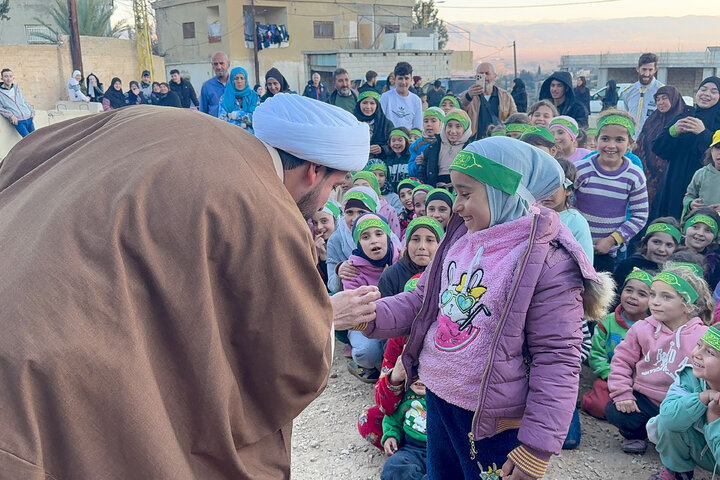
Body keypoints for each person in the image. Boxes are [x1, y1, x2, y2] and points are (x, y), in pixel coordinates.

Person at [0, 93, 373, 478]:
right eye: (335, 186)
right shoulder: (266, 203)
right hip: (40, 365)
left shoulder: (151, 119)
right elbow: (288, 353)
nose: (328, 201)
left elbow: (28, 153)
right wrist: (327, 319)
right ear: (313, 171)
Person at [336, 136, 611, 480]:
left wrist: (537, 447)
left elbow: (557, 356)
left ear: (504, 194)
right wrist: (369, 314)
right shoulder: (461, 240)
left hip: (494, 417)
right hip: (440, 397)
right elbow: (422, 300)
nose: (456, 205)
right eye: (455, 193)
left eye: (466, 194)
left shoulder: (547, 261)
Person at [606, 266, 712, 455]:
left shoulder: (703, 335)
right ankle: (636, 435)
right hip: (646, 400)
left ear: (688, 305)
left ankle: (683, 448)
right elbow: (621, 361)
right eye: (653, 295)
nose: (655, 302)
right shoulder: (641, 328)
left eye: (666, 297)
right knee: (615, 410)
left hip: (681, 404)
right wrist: (623, 393)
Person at [574, 110, 649, 272]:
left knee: (599, 294)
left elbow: (640, 216)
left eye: (619, 140)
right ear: (596, 140)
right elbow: (565, 202)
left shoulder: (634, 176)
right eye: (605, 138)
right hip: (574, 245)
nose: (611, 145)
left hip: (607, 252)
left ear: (631, 143)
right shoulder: (580, 169)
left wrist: (611, 240)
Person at [648, 325, 720, 480]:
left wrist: (714, 417)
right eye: (699, 345)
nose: (697, 354)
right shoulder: (689, 377)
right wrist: (703, 397)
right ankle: (678, 471)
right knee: (670, 418)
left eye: (710, 352)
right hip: (702, 452)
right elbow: (668, 417)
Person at [582, 269, 652, 420]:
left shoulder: (654, 328)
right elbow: (596, 354)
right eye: (629, 290)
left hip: (640, 383)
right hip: (610, 375)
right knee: (599, 406)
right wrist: (609, 375)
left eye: (642, 294)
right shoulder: (607, 321)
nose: (633, 297)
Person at [652, 77, 720, 219]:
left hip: (705, 187)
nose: (706, 94)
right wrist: (673, 131)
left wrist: (704, 134)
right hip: (675, 181)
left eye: (714, 91)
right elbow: (658, 148)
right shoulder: (685, 115)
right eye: (703, 89)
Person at [343, 213, 400, 382]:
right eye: (365, 237)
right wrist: (383, 287)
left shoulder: (403, 259)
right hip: (366, 322)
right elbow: (357, 310)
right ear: (358, 243)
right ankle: (361, 362)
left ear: (388, 236)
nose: (374, 240)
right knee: (368, 353)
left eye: (379, 233)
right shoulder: (352, 270)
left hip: (398, 319)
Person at [635, 86, 693, 208]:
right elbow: (640, 144)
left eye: (664, 98)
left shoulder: (684, 119)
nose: (660, 103)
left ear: (674, 98)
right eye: (658, 99)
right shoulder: (652, 119)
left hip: (673, 173)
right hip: (650, 174)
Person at [326, 186, 379, 294]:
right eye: (349, 212)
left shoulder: (385, 237)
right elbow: (332, 286)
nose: (355, 219)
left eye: (361, 212)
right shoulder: (336, 240)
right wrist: (339, 271)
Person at [540, 158, 593, 262]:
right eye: (543, 187)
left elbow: (586, 262)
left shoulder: (576, 221)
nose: (547, 194)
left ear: (569, 190)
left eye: (554, 188)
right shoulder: (531, 214)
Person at [612, 217, 681, 292]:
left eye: (669, 245)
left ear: (676, 248)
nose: (661, 249)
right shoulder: (628, 265)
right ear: (645, 242)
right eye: (656, 242)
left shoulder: (674, 272)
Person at [381, 377, 428, 480]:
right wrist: (391, 436)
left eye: (424, 372)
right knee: (393, 467)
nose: (419, 379)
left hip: (442, 451)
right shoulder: (405, 395)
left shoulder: (445, 398)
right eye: (415, 373)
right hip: (412, 448)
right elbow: (393, 418)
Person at [459, 62, 517, 140]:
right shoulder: (467, 95)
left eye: (487, 73)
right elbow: (458, 111)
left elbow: (514, 118)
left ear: (495, 76)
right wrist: (469, 97)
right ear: (476, 77)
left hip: (499, 139)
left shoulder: (505, 97)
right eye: (481, 74)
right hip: (475, 141)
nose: (484, 77)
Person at [418, 108, 473, 188]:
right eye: (449, 126)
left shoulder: (470, 149)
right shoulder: (433, 147)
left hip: (460, 190)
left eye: (458, 126)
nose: (453, 131)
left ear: (465, 129)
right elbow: (422, 172)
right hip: (437, 189)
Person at [622, 52, 664, 139]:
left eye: (650, 70)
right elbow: (628, 113)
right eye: (644, 69)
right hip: (631, 139)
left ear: (655, 70)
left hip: (652, 139)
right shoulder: (628, 91)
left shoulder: (662, 91)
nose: (646, 74)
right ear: (637, 69)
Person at [683, 130, 720, 217]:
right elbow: (688, 196)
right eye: (718, 147)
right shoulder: (701, 174)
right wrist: (691, 204)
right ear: (711, 151)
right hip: (702, 223)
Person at [353, 170, 401, 238]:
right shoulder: (349, 209)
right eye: (356, 186)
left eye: (365, 186)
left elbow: (396, 236)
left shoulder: (388, 210)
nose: (360, 189)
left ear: (374, 188)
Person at [681, 208, 720, 289]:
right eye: (695, 227)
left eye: (708, 230)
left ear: (714, 237)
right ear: (685, 228)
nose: (700, 233)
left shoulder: (715, 265)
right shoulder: (669, 250)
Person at [380, 62, 423, 131]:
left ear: (411, 80)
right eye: (400, 78)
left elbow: (417, 128)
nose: (403, 82)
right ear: (395, 80)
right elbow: (380, 123)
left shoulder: (416, 100)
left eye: (406, 78)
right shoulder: (385, 97)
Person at [218, 66, 259, 133]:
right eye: (236, 78)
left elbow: (256, 119)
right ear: (232, 80)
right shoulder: (224, 98)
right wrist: (242, 125)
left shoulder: (254, 96)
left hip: (252, 137)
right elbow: (221, 120)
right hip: (231, 136)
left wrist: (236, 115)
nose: (239, 81)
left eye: (242, 78)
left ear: (245, 80)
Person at [353, 90, 393, 158]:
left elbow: (394, 144)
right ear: (359, 104)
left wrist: (382, 149)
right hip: (356, 160)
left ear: (377, 105)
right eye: (364, 103)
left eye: (372, 103)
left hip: (380, 162)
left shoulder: (386, 124)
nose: (368, 107)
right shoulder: (352, 122)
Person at [408, 107, 444, 178]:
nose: (429, 124)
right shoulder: (416, 145)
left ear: (441, 123)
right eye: (426, 121)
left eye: (433, 121)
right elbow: (411, 172)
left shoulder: (445, 143)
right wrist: (417, 163)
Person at [0, 68, 35, 137]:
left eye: (10, 76)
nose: (8, 79)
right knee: (28, 140)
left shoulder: (17, 88)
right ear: (2, 78)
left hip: (29, 118)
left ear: (13, 78)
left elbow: (23, 101)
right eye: (6, 76)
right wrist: (11, 115)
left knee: (36, 138)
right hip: (18, 121)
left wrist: (31, 111)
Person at [311, 201, 340, 285]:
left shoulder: (345, 243)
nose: (319, 227)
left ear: (335, 220)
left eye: (324, 221)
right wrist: (322, 254)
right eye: (315, 223)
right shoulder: (315, 244)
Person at [200, 51, 230, 116]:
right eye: (216, 64)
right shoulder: (207, 86)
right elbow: (203, 112)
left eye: (222, 63)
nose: (219, 67)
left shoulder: (236, 83)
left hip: (233, 124)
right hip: (214, 124)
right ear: (212, 66)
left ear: (228, 64)